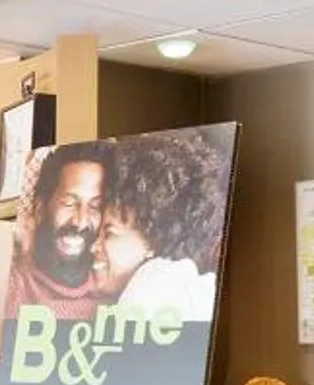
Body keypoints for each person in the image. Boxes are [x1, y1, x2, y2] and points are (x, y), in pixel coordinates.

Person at [95, 129, 229, 321]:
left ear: (152, 241)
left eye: (109, 233)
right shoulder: (183, 284)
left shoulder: (153, 288)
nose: (94, 246)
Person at [3, 143, 111, 320]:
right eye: (68, 203)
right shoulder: (13, 286)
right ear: (39, 209)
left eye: (95, 206)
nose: (81, 222)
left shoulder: (115, 295)